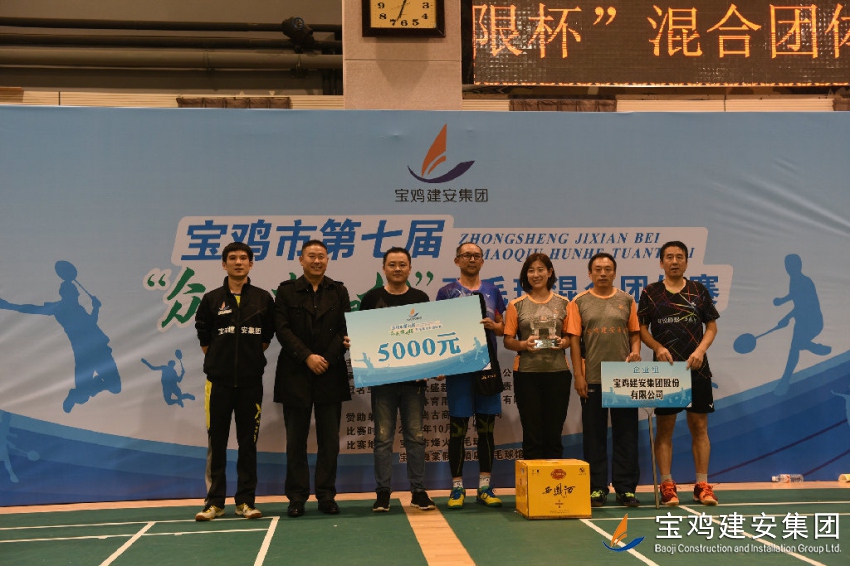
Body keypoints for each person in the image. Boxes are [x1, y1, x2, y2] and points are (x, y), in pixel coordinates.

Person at [194, 241, 275, 521]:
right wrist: (222, 361)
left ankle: (245, 502)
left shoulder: (263, 299)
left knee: (248, 444)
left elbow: (265, 338)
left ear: (251, 264)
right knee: (216, 444)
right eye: (232, 258)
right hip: (218, 384)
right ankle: (214, 503)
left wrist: (247, 360)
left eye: (243, 258)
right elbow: (204, 338)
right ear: (224, 264)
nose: (238, 262)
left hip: (251, 384)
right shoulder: (211, 299)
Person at [638, 241, 719, 506]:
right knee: (665, 429)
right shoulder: (651, 292)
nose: (674, 261)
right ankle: (667, 485)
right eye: (669, 257)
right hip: (667, 371)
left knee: (700, 428)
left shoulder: (699, 290)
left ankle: (702, 485)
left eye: (679, 257)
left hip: (696, 368)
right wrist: (657, 347)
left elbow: (711, 327)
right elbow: (641, 329)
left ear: (686, 261)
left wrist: (701, 350)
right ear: (661, 262)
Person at [274, 240, 351, 517]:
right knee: (295, 441)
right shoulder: (286, 291)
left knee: (329, 441)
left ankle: (326, 496)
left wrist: (326, 358)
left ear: (327, 260)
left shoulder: (338, 290)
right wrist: (307, 357)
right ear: (301, 260)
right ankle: (296, 497)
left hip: (330, 372)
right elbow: (282, 329)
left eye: (321, 256)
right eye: (311, 256)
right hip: (296, 372)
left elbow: (345, 328)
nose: (317, 261)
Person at [359, 247, 435, 513]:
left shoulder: (420, 298)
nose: (397, 269)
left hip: (414, 381)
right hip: (383, 381)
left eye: (402, 264)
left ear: (410, 268)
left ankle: (418, 491)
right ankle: (383, 493)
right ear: (384, 268)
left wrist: (436, 364)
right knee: (382, 438)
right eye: (392, 264)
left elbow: (430, 337)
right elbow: (363, 335)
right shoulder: (372, 298)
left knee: (416, 437)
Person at [567, 252, 641, 508]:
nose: (602, 273)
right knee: (594, 436)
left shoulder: (627, 300)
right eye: (597, 269)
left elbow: (635, 333)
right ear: (590, 273)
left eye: (607, 269)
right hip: (593, 378)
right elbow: (574, 342)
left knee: (627, 434)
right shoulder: (579, 302)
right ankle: (597, 488)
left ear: (614, 273)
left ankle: (626, 488)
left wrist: (636, 352)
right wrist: (579, 376)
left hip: (622, 378)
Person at [436, 243, 506, 510]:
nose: (472, 259)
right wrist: (440, 365)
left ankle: (485, 487)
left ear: (482, 261)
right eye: (466, 255)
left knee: (486, 429)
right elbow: (439, 330)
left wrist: (494, 326)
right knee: (458, 429)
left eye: (476, 255)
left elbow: (503, 327)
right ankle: (457, 488)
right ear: (457, 260)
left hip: (487, 367)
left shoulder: (492, 291)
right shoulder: (446, 292)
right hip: (458, 369)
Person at [0, 261, 121, 413]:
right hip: (85, 353)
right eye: (75, 293)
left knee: (115, 387)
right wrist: (10, 306)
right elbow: (35, 309)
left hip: (99, 348)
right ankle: (77, 393)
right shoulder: (60, 308)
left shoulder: (78, 308)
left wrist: (95, 308)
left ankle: (83, 390)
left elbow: (91, 323)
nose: (78, 294)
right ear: (68, 294)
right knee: (83, 397)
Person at [503, 253, 572, 461]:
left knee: (554, 430)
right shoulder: (516, 304)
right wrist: (524, 345)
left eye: (541, 269)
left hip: (558, 372)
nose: (536, 274)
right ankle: (533, 478)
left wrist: (563, 342)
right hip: (526, 374)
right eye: (531, 270)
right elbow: (508, 340)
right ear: (526, 275)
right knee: (531, 431)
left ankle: (554, 476)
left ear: (549, 272)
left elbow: (570, 337)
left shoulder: (565, 303)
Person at [772, 253, 830, 396]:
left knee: (795, 347)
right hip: (801, 322)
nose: (788, 269)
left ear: (799, 266)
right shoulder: (794, 280)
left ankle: (785, 381)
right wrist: (782, 300)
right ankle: (785, 380)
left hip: (813, 322)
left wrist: (786, 318)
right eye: (787, 266)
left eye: (791, 265)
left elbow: (801, 307)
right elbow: (794, 295)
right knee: (795, 348)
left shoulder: (805, 282)